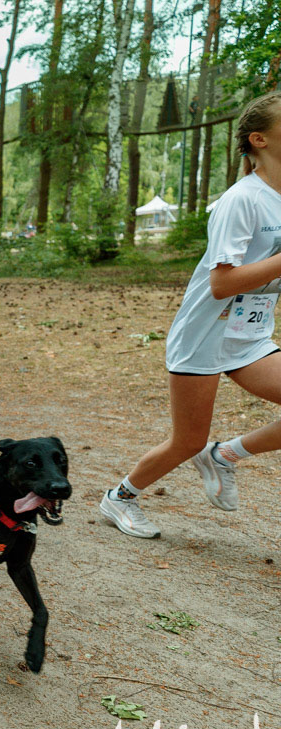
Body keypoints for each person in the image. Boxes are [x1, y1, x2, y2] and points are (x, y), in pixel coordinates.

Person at [100, 92, 281, 540]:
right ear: (259, 139)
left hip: (250, 335)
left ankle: (226, 456)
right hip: (205, 333)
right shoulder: (242, 200)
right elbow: (222, 283)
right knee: (187, 441)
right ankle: (119, 498)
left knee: (205, 447)